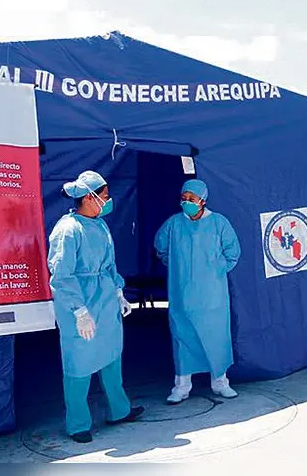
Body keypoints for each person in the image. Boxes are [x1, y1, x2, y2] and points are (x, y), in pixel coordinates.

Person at [48, 170, 144, 443]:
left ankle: (119, 410)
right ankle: (78, 423)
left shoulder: (100, 224)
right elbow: (62, 276)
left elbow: (109, 264)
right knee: (79, 362)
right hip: (80, 304)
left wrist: (118, 291)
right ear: (89, 197)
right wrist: (79, 311)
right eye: (105, 195)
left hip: (105, 301)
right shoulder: (68, 230)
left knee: (112, 354)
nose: (108, 200)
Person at [155, 179, 241, 404]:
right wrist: (177, 267)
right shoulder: (174, 224)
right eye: (183, 198)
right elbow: (161, 248)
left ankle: (220, 383)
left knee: (216, 338)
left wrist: (215, 270)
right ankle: (182, 387)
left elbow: (232, 252)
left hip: (213, 295)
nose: (186, 202)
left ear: (203, 200)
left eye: (191, 199)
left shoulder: (219, 223)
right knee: (183, 339)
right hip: (181, 295)